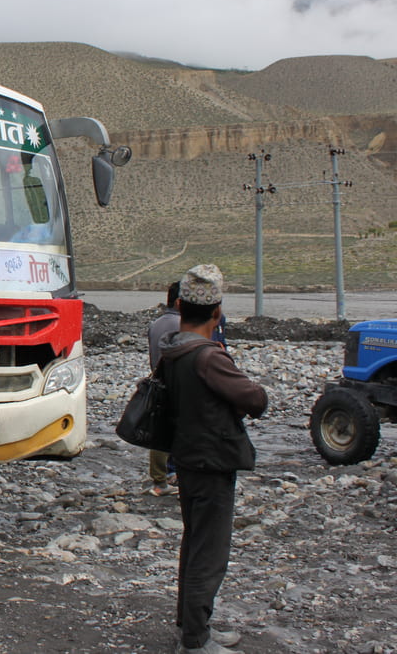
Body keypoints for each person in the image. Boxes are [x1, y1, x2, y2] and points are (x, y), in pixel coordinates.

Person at [158, 264, 267, 654]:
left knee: (195, 544)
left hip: (187, 459)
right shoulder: (207, 357)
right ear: (216, 312)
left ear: (181, 305)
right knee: (210, 552)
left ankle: (191, 626)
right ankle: (196, 640)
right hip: (212, 463)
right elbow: (255, 399)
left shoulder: (172, 349)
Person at [147, 280, 182, 495]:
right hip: (177, 384)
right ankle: (169, 477)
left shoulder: (156, 324)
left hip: (158, 382)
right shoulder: (183, 325)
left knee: (160, 433)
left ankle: (160, 479)